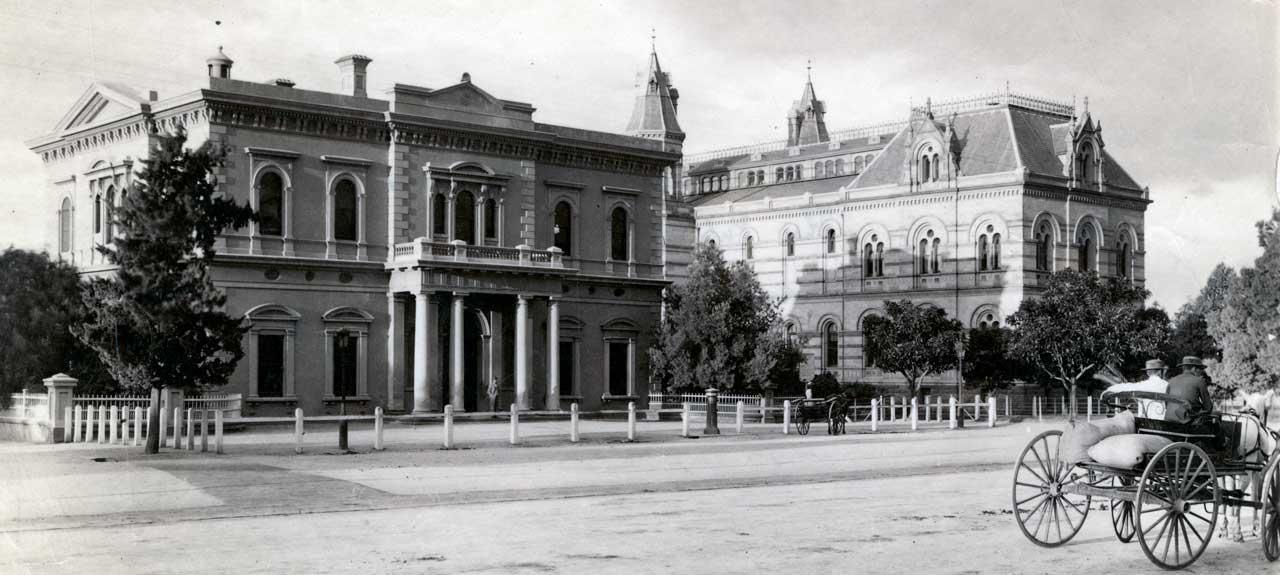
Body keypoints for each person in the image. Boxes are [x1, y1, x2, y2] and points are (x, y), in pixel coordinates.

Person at [1166, 356, 1213, 424]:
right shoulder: (1199, 381)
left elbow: (1166, 403)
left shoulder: (1172, 380)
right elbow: (1208, 407)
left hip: (1168, 420)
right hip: (1187, 423)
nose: (1201, 372)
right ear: (1194, 368)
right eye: (1200, 369)